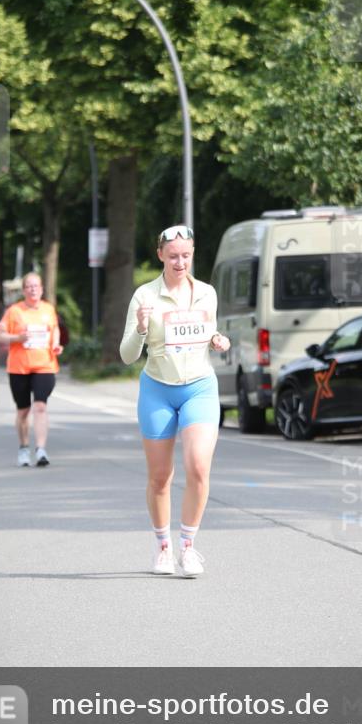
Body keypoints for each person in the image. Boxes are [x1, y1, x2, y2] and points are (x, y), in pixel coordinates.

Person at [120, 225, 230, 578]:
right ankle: (163, 546)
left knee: (198, 467)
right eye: (173, 256)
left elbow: (207, 330)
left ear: (193, 253)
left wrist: (216, 339)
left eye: (186, 255)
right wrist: (139, 328)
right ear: (160, 257)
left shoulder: (207, 294)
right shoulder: (144, 297)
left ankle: (188, 546)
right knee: (160, 477)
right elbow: (126, 355)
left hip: (199, 387)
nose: (180, 262)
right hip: (158, 389)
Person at [0, 272, 63, 467]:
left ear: (42, 289)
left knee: (40, 406)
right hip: (19, 367)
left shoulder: (48, 309)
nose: (33, 289)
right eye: (29, 286)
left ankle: (41, 450)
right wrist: (17, 338)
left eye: (36, 286)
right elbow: (0, 335)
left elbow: (55, 329)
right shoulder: (14, 311)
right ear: (24, 290)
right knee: (23, 411)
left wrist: (56, 343)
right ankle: (24, 447)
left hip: (45, 364)